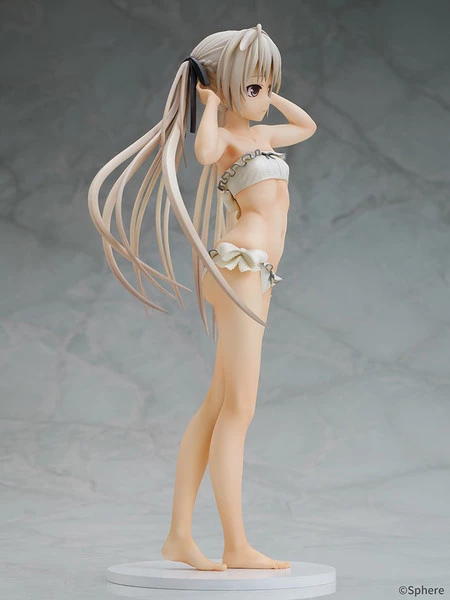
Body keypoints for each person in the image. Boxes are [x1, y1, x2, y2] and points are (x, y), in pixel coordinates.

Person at [88, 24, 317, 571]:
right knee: (240, 407)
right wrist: (212, 101)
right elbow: (205, 147)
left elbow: (307, 126)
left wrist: (263, 91)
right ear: (223, 86)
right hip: (241, 267)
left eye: (267, 84)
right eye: (253, 85)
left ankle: (179, 537)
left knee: (218, 403)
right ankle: (235, 545)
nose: (263, 96)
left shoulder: (264, 135)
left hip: (257, 273)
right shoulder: (229, 141)